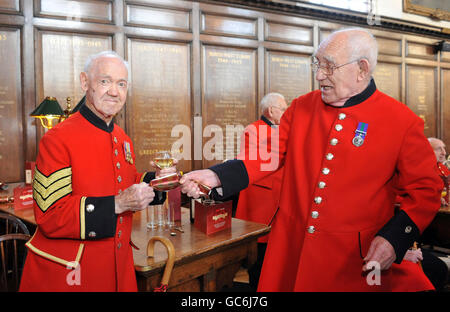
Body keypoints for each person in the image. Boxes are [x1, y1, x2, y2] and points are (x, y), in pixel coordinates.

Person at [180, 28, 442, 291]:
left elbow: (426, 190)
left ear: (362, 69)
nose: (319, 75)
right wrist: (215, 176)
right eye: (318, 64)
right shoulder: (302, 107)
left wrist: (393, 239)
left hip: (353, 259)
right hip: (292, 250)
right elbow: (267, 156)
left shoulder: (401, 121)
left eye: (329, 67)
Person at [19, 51, 174, 291]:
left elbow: (125, 183)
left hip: (118, 268)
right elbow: (49, 215)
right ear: (85, 83)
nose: (114, 91)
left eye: (121, 84)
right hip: (73, 273)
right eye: (105, 81)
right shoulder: (57, 138)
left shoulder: (122, 137)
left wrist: (158, 182)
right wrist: (117, 204)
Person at [235, 92, 287, 290]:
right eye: (283, 108)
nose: (286, 112)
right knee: (259, 256)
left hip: (277, 200)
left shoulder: (279, 130)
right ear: (271, 111)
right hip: (261, 204)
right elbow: (256, 164)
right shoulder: (253, 130)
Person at [428, 137, 449, 206]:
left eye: (444, 148)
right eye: (439, 149)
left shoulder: (443, 168)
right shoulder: (419, 169)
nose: (444, 153)